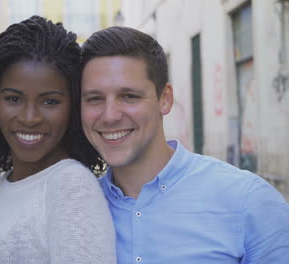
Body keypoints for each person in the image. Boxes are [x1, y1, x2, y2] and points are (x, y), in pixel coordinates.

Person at [80, 26, 289, 264]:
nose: (109, 116)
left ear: (165, 99)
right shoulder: (75, 209)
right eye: (94, 99)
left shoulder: (248, 202)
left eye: (129, 96)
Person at [0, 16, 116, 264]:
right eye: (13, 99)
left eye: (50, 101)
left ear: (73, 107)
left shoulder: (70, 187)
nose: (30, 118)